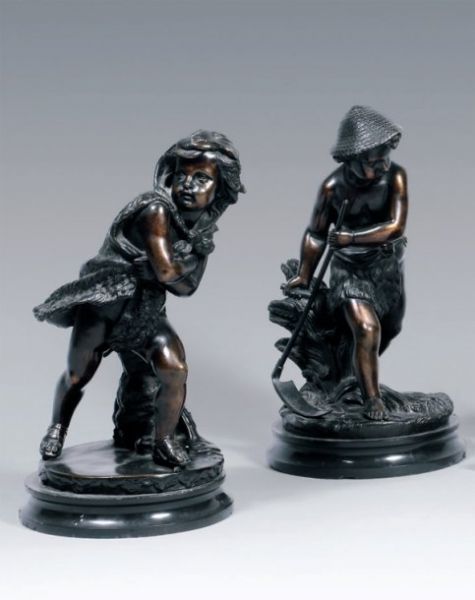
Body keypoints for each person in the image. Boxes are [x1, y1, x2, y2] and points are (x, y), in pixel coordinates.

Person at [34, 130, 245, 466]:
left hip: (145, 312)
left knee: (174, 369)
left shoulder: (198, 233)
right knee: (78, 374)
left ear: (220, 189)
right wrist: (180, 264)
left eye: (201, 178)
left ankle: (163, 440)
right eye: (182, 175)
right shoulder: (155, 209)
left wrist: (182, 262)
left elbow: (186, 288)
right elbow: (167, 272)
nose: (188, 184)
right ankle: (57, 428)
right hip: (105, 306)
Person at [286, 106, 407, 420]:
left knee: (390, 328)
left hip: (386, 269)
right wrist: (304, 273)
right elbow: (315, 233)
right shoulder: (333, 188)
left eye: (385, 158)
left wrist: (350, 237)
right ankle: (372, 399)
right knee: (367, 329)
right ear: (352, 158)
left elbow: (395, 227)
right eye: (373, 162)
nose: (382, 166)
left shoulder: (395, 177)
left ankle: (350, 376)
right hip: (349, 271)